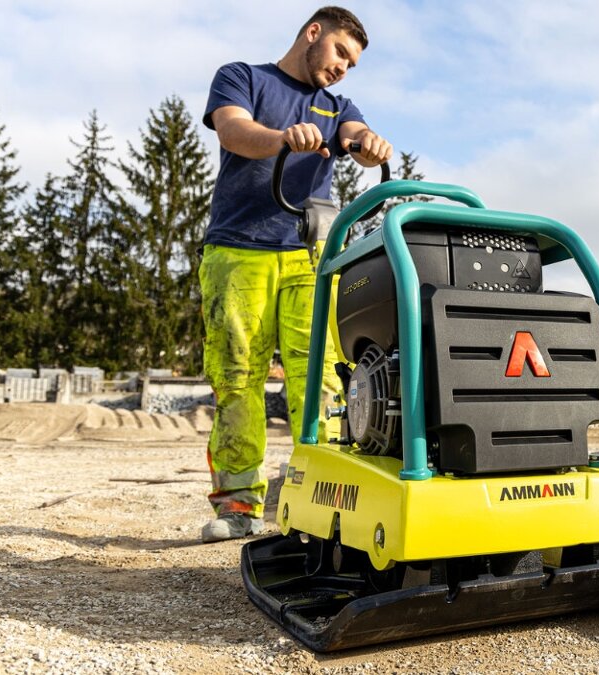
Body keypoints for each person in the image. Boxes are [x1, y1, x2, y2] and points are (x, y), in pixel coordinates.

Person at [198, 6, 392, 543]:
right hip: (238, 251)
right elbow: (234, 132)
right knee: (238, 379)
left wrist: (367, 144)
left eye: (352, 64)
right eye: (339, 54)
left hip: (312, 253)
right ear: (313, 34)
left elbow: (355, 132)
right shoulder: (242, 77)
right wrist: (284, 137)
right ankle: (237, 506)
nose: (342, 70)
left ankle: (319, 502)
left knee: (322, 379)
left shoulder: (337, 106)